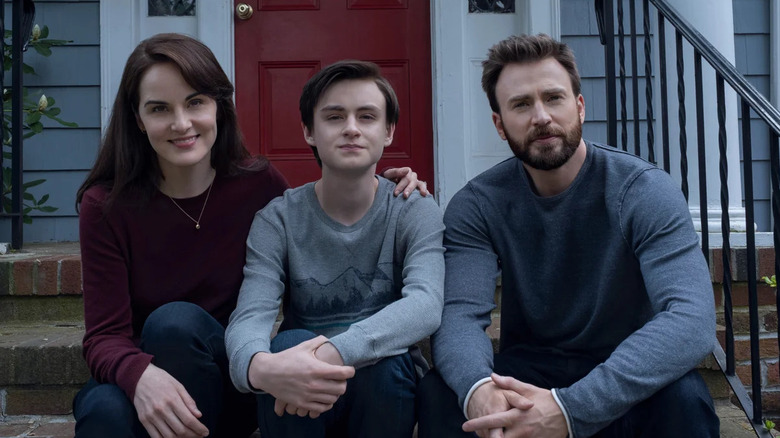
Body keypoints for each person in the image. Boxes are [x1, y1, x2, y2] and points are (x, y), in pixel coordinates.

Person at [73, 33, 427, 438]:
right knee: (104, 410)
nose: (181, 123)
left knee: (176, 323)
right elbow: (103, 336)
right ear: (138, 119)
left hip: (234, 375)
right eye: (159, 109)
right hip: (150, 368)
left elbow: (323, 214)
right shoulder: (107, 205)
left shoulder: (257, 185)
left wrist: (386, 186)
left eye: (195, 102)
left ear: (219, 109)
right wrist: (141, 377)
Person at [417, 34, 719, 438]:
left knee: (685, 399)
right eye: (521, 104)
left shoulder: (642, 190)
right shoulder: (478, 205)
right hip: (529, 374)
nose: (540, 116)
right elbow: (458, 315)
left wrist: (569, 409)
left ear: (579, 106)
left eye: (553, 98)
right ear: (500, 124)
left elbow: (691, 320)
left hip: (624, 372)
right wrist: (480, 390)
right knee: (443, 395)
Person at [225, 60, 445, 438]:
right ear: (309, 131)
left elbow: (425, 304)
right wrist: (258, 367)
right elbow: (251, 314)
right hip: (300, 396)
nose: (351, 129)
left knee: (384, 360)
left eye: (367, 116)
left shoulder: (414, 208)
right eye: (334, 117)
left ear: (389, 131)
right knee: (288, 346)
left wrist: (330, 354)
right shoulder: (276, 220)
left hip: (384, 390)